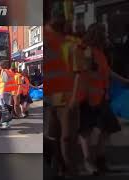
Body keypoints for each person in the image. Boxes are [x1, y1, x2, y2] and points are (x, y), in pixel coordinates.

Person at [44, 4, 82, 176]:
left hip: (66, 100)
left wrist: (74, 98)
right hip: (50, 99)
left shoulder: (73, 44)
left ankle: (70, 170)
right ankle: (59, 166)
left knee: (67, 138)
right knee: (53, 136)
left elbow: (78, 74)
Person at [81, 23, 122, 173]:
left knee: (107, 128)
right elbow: (83, 74)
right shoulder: (88, 52)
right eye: (103, 32)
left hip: (101, 97)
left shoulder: (100, 52)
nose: (106, 35)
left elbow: (107, 72)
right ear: (96, 34)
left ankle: (99, 159)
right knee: (87, 132)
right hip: (88, 98)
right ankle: (89, 162)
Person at [0, 60, 17, 128]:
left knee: (4, 108)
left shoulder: (4, 72)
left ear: (1, 66)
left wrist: (1, 93)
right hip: (9, 92)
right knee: (7, 107)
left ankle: (5, 124)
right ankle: (7, 123)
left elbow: (4, 83)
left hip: (4, 92)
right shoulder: (10, 71)